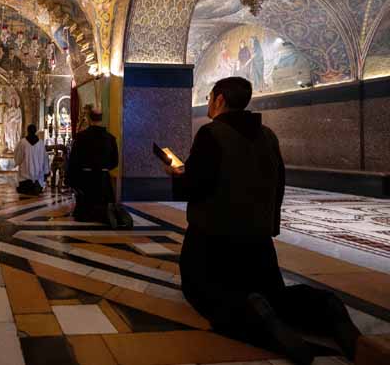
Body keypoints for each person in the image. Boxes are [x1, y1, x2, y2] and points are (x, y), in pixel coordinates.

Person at [166, 77, 360, 365]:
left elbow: (195, 186)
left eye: (209, 97)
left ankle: (255, 316)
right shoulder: (268, 135)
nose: (208, 103)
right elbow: (278, 184)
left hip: (213, 244)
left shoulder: (211, 133)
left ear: (219, 100)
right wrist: (268, 226)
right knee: (277, 297)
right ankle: (326, 307)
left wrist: (178, 175)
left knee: (202, 294)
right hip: (258, 245)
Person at [67, 108, 129, 228]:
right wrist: (103, 168)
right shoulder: (110, 138)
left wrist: (72, 179)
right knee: (103, 207)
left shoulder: (81, 137)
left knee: (85, 209)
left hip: (86, 179)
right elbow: (114, 162)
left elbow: (74, 161)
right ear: (102, 119)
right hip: (103, 179)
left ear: (89, 119)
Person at [14, 124, 50, 195]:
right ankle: (35, 187)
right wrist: (46, 172)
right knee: (37, 186)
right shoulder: (41, 143)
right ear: (36, 131)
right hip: (38, 177)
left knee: (23, 187)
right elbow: (45, 159)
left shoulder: (22, 142)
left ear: (27, 131)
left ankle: (28, 187)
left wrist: (17, 162)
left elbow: (18, 158)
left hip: (25, 177)